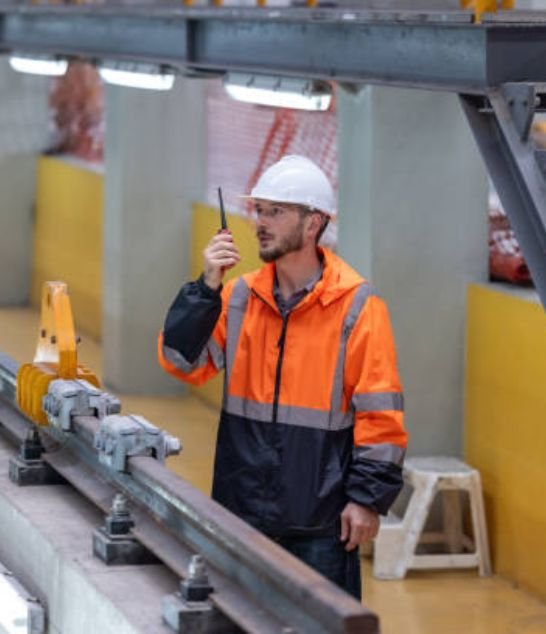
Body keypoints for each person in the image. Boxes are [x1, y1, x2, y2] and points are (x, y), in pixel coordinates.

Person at [158, 155, 407, 599]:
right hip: (239, 510)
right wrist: (206, 288)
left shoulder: (357, 307)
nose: (261, 223)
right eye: (259, 210)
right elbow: (180, 361)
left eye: (276, 212)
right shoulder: (238, 298)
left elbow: (380, 416)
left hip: (320, 523)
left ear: (313, 223)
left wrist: (366, 499)